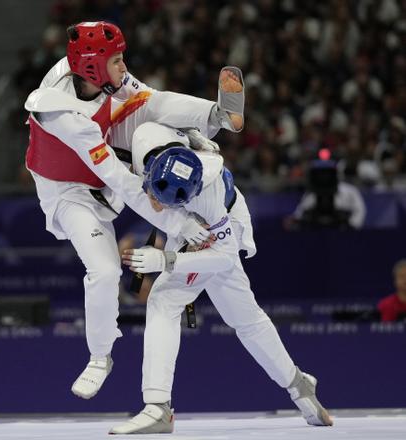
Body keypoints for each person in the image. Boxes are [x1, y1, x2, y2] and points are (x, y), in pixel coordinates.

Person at [24, 21, 246, 400]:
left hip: (106, 141)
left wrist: (192, 117)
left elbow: (151, 98)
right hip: (70, 191)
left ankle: (217, 118)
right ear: (92, 67)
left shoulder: (104, 77)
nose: (123, 67)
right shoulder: (62, 114)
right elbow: (120, 180)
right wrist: (175, 222)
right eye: (117, 61)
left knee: (152, 106)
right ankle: (100, 356)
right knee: (105, 270)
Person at [109, 122, 332, 434]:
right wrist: (199, 129)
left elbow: (223, 258)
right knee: (246, 319)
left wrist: (166, 259)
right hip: (186, 225)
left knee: (164, 300)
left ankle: (158, 407)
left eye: (165, 202)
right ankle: (299, 384)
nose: (156, 205)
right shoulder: (147, 139)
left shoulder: (208, 198)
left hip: (216, 232)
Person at [290, 156, 366, 229]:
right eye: (321, 173)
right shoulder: (311, 193)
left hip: (343, 234)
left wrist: (351, 227)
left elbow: (360, 211)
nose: (325, 176)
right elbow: (299, 214)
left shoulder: (350, 191)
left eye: (328, 173)